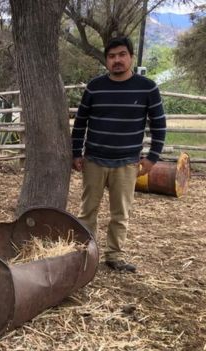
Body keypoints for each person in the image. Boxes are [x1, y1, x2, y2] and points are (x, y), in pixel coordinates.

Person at [71, 36, 166, 273]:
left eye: (122, 55)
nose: (117, 60)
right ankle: (85, 253)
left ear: (131, 57)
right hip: (94, 160)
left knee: (120, 213)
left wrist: (153, 157)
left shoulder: (147, 88)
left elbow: (159, 124)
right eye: (112, 56)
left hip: (127, 163)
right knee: (87, 211)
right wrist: (76, 153)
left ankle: (114, 256)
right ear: (106, 60)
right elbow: (80, 122)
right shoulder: (95, 87)